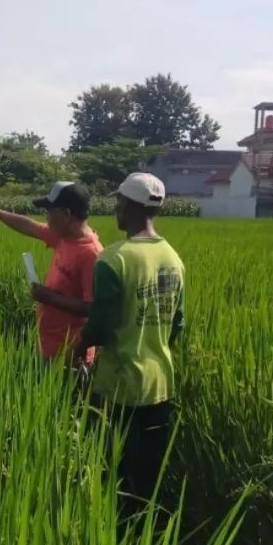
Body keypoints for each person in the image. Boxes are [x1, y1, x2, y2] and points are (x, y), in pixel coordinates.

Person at [74, 172, 186, 520]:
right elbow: (176, 324)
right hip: (161, 384)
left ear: (135, 206)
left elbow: (101, 326)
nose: (116, 208)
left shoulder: (113, 259)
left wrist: (79, 346)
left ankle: (112, 535)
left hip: (119, 385)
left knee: (112, 470)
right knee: (148, 476)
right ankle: (145, 540)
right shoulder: (174, 258)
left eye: (119, 202)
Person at [0, 182, 103, 366]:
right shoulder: (63, 236)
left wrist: (49, 297)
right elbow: (28, 226)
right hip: (47, 345)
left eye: (49, 211)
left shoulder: (91, 254)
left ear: (66, 214)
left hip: (69, 355)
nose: (46, 217)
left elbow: (93, 310)